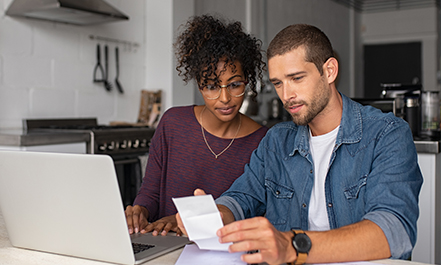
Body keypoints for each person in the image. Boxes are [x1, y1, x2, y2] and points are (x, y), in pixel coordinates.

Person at [178, 24, 423, 264]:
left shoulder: (387, 134)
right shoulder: (276, 140)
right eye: (278, 83)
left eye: (296, 78)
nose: (286, 95)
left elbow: (395, 230)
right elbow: (242, 197)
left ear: (329, 71)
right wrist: (218, 215)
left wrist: (294, 246)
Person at [125, 15, 268, 237]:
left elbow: (253, 212)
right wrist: (140, 211)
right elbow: (151, 192)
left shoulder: (263, 141)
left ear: (247, 82)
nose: (224, 98)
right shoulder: (172, 123)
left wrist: (183, 221)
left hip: (223, 255)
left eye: (234, 85)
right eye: (211, 86)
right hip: (164, 246)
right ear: (199, 86)